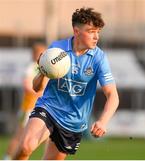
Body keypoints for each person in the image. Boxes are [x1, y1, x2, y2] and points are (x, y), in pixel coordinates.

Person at [13, 7, 119, 160]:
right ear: (76, 31)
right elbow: (37, 88)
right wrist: (43, 71)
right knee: (26, 147)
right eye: (91, 31)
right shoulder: (57, 49)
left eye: (98, 32)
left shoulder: (98, 58)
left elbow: (113, 95)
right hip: (48, 108)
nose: (96, 37)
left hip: (73, 122)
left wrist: (102, 122)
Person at [3, 43, 48, 160]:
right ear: (35, 55)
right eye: (41, 53)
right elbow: (27, 85)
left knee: (48, 137)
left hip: (43, 108)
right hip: (29, 107)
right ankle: (7, 158)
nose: (44, 55)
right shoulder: (32, 67)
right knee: (19, 136)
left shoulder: (45, 68)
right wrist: (40, 93)